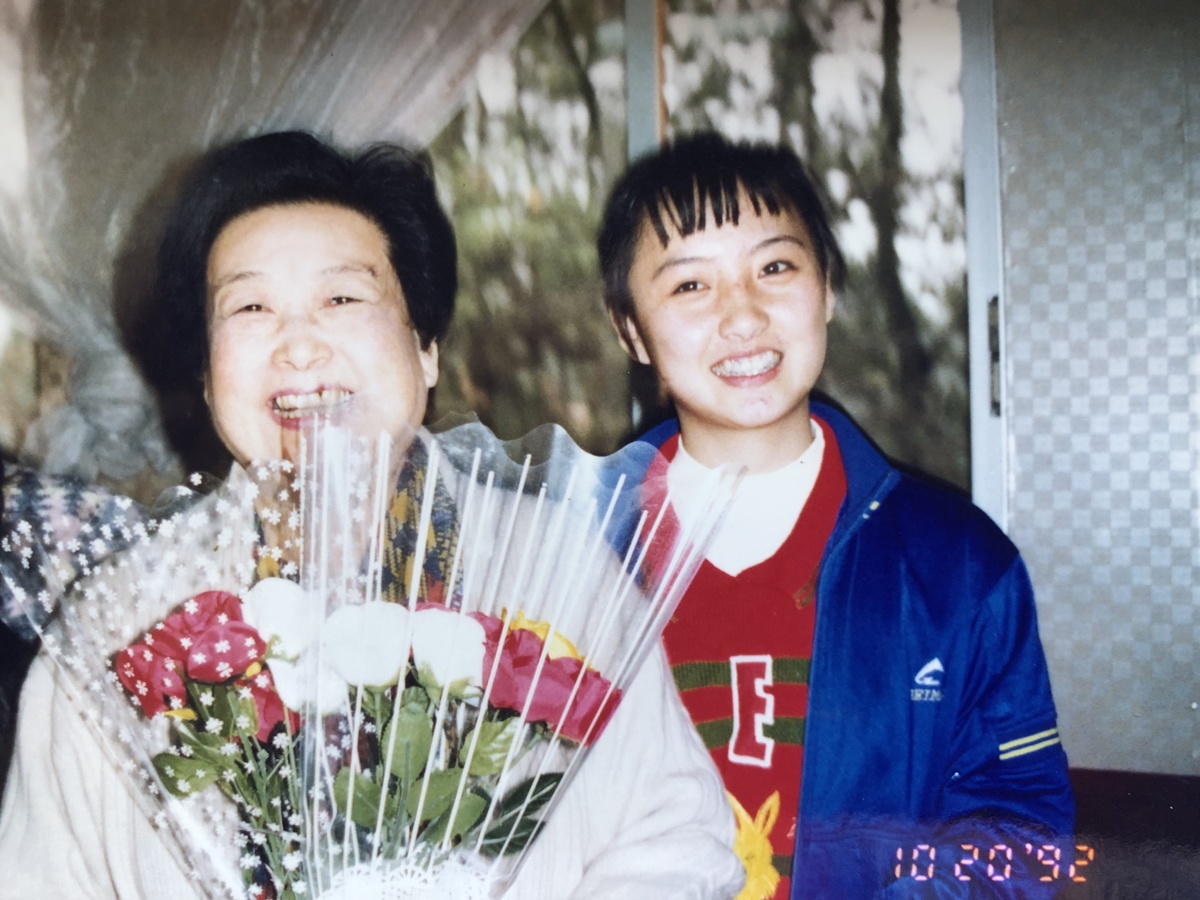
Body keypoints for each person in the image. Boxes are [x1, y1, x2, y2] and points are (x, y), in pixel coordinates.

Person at [0, 131, 743, 899]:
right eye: (250, 306)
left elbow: (675, 844)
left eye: (342, 298)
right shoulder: (119, 624)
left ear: (425, 348)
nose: (298, 346)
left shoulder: (562, 573)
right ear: (207, 377)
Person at [596, 131, 1074, 898]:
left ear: (826, 289)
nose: (742, 315)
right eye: (690, 285)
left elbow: (1022, 833)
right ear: (630, 329)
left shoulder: (959, 564)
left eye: (774, 268)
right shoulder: (578, 547)